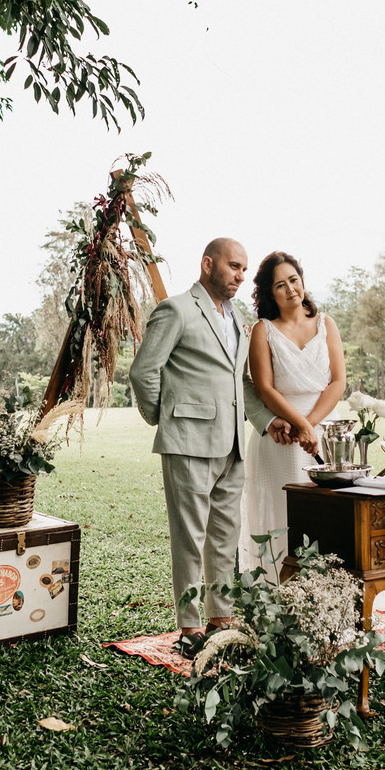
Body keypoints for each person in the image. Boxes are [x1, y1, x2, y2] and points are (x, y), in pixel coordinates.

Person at [128, 238, 281, 651]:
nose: (240, 276)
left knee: (224, 538)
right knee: (189, 538)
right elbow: (144, 372)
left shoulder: (239, 320)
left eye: (244, 269)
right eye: (234, 266)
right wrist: (169, 418)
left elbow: (242, 384)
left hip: (232, 447)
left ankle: (221, 617)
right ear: (207, 264)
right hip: (188, 444)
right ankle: (190, 627)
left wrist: (268, 422)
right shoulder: (176, 310)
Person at [240, 251, 344, 573]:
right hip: (279, 438)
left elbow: (338, 382)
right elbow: (264, 388)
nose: (291, 289)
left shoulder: (326, 324)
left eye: (294, 280)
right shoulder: (263, 330)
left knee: (323, 515)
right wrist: (298, 425)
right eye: (280, 285)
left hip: (317, 432)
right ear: (270, 293)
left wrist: (309, 426)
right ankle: (274, 590)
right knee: (278, 515)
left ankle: (324, 593)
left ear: (302, 280)